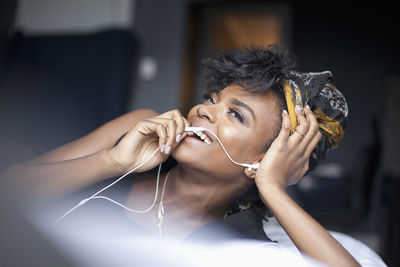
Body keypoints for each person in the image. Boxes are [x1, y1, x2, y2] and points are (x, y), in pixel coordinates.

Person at [0, 45, 359, 266]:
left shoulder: (239, 245)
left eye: (236, 115)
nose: (204, 111)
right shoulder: (139, 127)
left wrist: (274, 186)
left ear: (265, 159)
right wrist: (113, 162)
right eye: (212, 99)